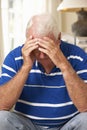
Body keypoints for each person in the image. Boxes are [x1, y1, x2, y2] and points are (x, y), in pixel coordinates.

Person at [0, 13, 87, 130]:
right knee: (2, 118)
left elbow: (85, 107)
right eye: (36, 47)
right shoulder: (14, 57)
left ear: (59, 38)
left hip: (68, 125)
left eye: (47, 46)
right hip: (27, 126)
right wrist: (26, 67)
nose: (41, 55)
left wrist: (64, 65)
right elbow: (2, 105)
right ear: (27, 39)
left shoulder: (78, 56)